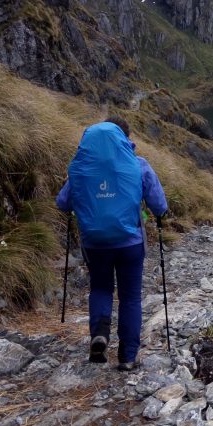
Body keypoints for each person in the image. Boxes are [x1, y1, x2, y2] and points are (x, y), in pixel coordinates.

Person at [56, 117, 167, 370]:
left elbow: (63, 203)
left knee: (101, 288)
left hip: (95, 243)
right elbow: (159, 206)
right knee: (130, 298)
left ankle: (100, 334)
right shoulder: (138, 165)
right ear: (126, 139)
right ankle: (128, 357)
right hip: (130, 243)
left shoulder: (82, 169)